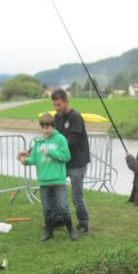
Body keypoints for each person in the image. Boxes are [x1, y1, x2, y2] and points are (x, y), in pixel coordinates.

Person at [17, 112, 77, 241]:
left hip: (58, 180)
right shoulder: (38, 141)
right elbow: (34, 158)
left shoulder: (60, 139)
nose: (45, 130)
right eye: (43, 127)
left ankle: (71, 230)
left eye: (47, 127)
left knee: (63, 207)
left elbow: (66, 156)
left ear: (53, 126)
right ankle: (49, 232)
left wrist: (50, 152)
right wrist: (25, 161)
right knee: (47, 208)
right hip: (43, 180)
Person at [51, 89, 90, 233]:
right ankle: (59, 219)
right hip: (63, 162)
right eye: (54, 105)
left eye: (59, 105)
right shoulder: (56, 117)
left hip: (77, 163)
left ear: (66, 102)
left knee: (76, 196)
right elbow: (49, 136)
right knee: (55, 191)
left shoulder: (75, 116)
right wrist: (33, 150)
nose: (56, 108)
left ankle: (83, 223)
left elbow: (72, 140)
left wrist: (54, 149)